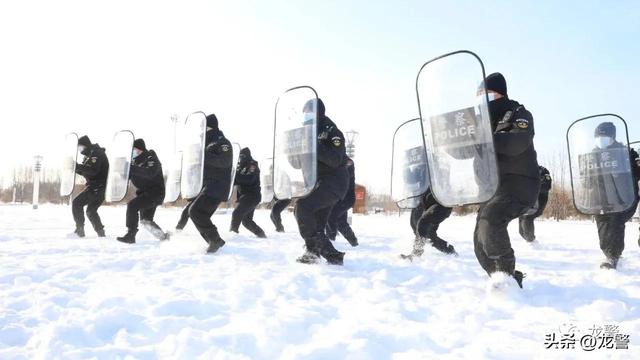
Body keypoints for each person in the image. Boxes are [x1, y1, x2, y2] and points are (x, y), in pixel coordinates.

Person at [473, 73, 540, 288]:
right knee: (480, 240)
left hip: (520, 184)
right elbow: (463, 150)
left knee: (491, 220)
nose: (483, 99)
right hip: (493, 189)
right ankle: (502, 278)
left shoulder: (518, 114)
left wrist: (484, 138)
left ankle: (506, 278)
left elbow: (515, 144)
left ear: (499, 94)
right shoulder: (479, 123)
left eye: (487, 94)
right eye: (479, 95)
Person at [294, 98, 349, 265]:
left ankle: (315, 250)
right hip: (315, 183)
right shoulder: (305, 133)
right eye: (304, 114)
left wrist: (313, 145)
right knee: (316, 224)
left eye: (308, 113)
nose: (305, 117)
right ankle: (330, 256)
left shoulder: (332, 132)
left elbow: (335, 159)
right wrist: (293, 150)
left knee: (302, 207)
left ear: (317, 113)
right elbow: (297, 164)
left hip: (333, 182)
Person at [586, 122, 640, 269]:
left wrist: (635, 165)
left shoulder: (626, 152)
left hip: (623, 199)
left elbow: (637, 173)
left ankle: (613, 256)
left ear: (612, 137)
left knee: (616, 222)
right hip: (601, 200)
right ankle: (608, 253)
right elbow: (587, 180)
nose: (600, 140)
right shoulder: (591, 156)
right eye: (598, 137)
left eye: (604, 137)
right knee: (603, 225)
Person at [188, 114, 234, 253]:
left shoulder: (222, 142)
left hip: (217, 186)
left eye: (203, 127)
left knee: (195, 212)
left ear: (209, 127)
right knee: (197, 213)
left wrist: (203, 156)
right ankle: (214, 240)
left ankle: (215, 240)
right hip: (209, 186)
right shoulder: (206, 144)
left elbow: (224, 162)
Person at [117, 138, 168, 244]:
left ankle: (130, 235)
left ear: (140, 150)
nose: (132, 153)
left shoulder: (151, 158)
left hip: (155, 193)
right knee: (146, 221)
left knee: (132, 206)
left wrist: (131, 168)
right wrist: (121, 171)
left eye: (134, 150)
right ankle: (164, 238)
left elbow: (150, 173)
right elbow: (128, 176)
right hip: (145, 193)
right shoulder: (135, 162)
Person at [402, 188, 456, 260]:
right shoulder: (423, 181)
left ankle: (416, 253)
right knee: (429, 234)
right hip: (427, 204)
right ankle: (450, 250)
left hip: (441, 205)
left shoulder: (438, 179)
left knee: (423, 224)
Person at [72, 135, 109, 238]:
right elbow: (86, 172)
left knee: (77, 203)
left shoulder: (96, 153)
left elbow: (93, 171)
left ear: (85, 145)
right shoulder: (88, 156)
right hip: (97, 187)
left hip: (98, 187)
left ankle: (79, 231)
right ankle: (101, 234)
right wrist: (75, 169)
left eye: (80, 146)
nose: (79, 149)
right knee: (91, 211)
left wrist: (78, 166)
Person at [230, 147, 267, 238]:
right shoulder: (239, 167)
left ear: (247, 156)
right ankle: (261, 235)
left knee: (236, 213)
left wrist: (236, 176)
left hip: (252, 196)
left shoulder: (252, 165)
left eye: (242, 156)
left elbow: (249, 179)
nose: (240, 159)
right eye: (239, 157)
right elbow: (235, 181)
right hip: (245, 196)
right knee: (246, 221)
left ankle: (232, 235)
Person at [325, 156, 358, 246]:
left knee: (331, 216)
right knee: (340, 222)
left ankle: (330, 242)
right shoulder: (334, 160)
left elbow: (345, 173)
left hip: (346, 198)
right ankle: (354, 243)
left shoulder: (347, 161)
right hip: (338, 198)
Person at [518, 166, 552, 242]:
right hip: (526, 203)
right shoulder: (523, 170)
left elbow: (547, 186)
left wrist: (533, 185)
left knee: (527, 219)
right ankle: (532, 244)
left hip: (539, 202)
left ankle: (532, 244)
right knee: (521, 231)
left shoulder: (543, 171)